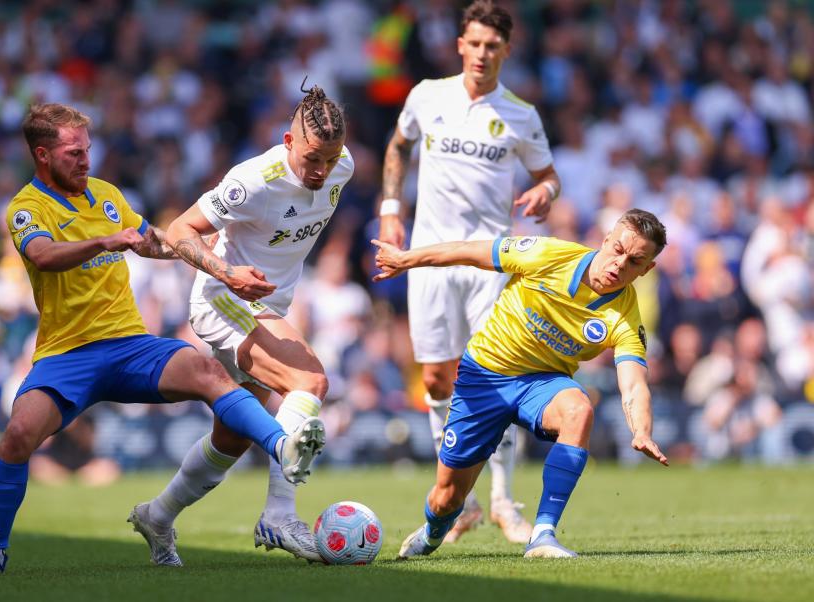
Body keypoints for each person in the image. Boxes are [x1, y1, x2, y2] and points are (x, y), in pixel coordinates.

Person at [0, 103, 324, 575]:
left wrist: (221, 267)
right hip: (67, 354)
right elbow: (43, 256)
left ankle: (281, 445)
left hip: (129, 345)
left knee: (207, 371)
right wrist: (104, 242)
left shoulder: (106, 195)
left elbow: (156, 242)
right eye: (72, 153)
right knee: (18, 435)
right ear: (42, 156)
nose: (85, 160)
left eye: (87, 150)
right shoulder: (26, 208)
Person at [131, 84, 352, 564]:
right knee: (309, 381)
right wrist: (227, 272)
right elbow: (183, 229)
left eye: (330, 161)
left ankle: (157, 515)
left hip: (269, 306)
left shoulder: (343, 165)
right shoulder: (254, 179)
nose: (321, 171)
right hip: (224, 298)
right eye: (312, 159)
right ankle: (279, 514)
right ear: (288, 141)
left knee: (230, 438)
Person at [372, 209, 670, 559]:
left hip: (542, 383)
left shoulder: (624, 317)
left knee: (579, 409)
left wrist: (642, 430)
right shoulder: (548, 255)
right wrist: (407, 259)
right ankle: (434, 531)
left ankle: (543, 534)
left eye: (635, 261)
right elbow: (470, 251)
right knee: (447, 497)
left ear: (646, 269)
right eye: (617, 250)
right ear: (605, 240)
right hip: (485, 377)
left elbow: (635, 383)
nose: (620, 264)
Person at [376, 0, 560, 544]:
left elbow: (549, 175)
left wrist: (544, 193)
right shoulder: (426, 95)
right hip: (430, 257)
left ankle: (503, 498)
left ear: (507, 50)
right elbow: (398, 145)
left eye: (492, 46)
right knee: (434, 379)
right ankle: (464, 501)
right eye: (474, 43)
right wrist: (390, 211)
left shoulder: (521, 114)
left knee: (491, 379)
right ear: (460, 44)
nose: (482, 54)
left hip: (489, 260)